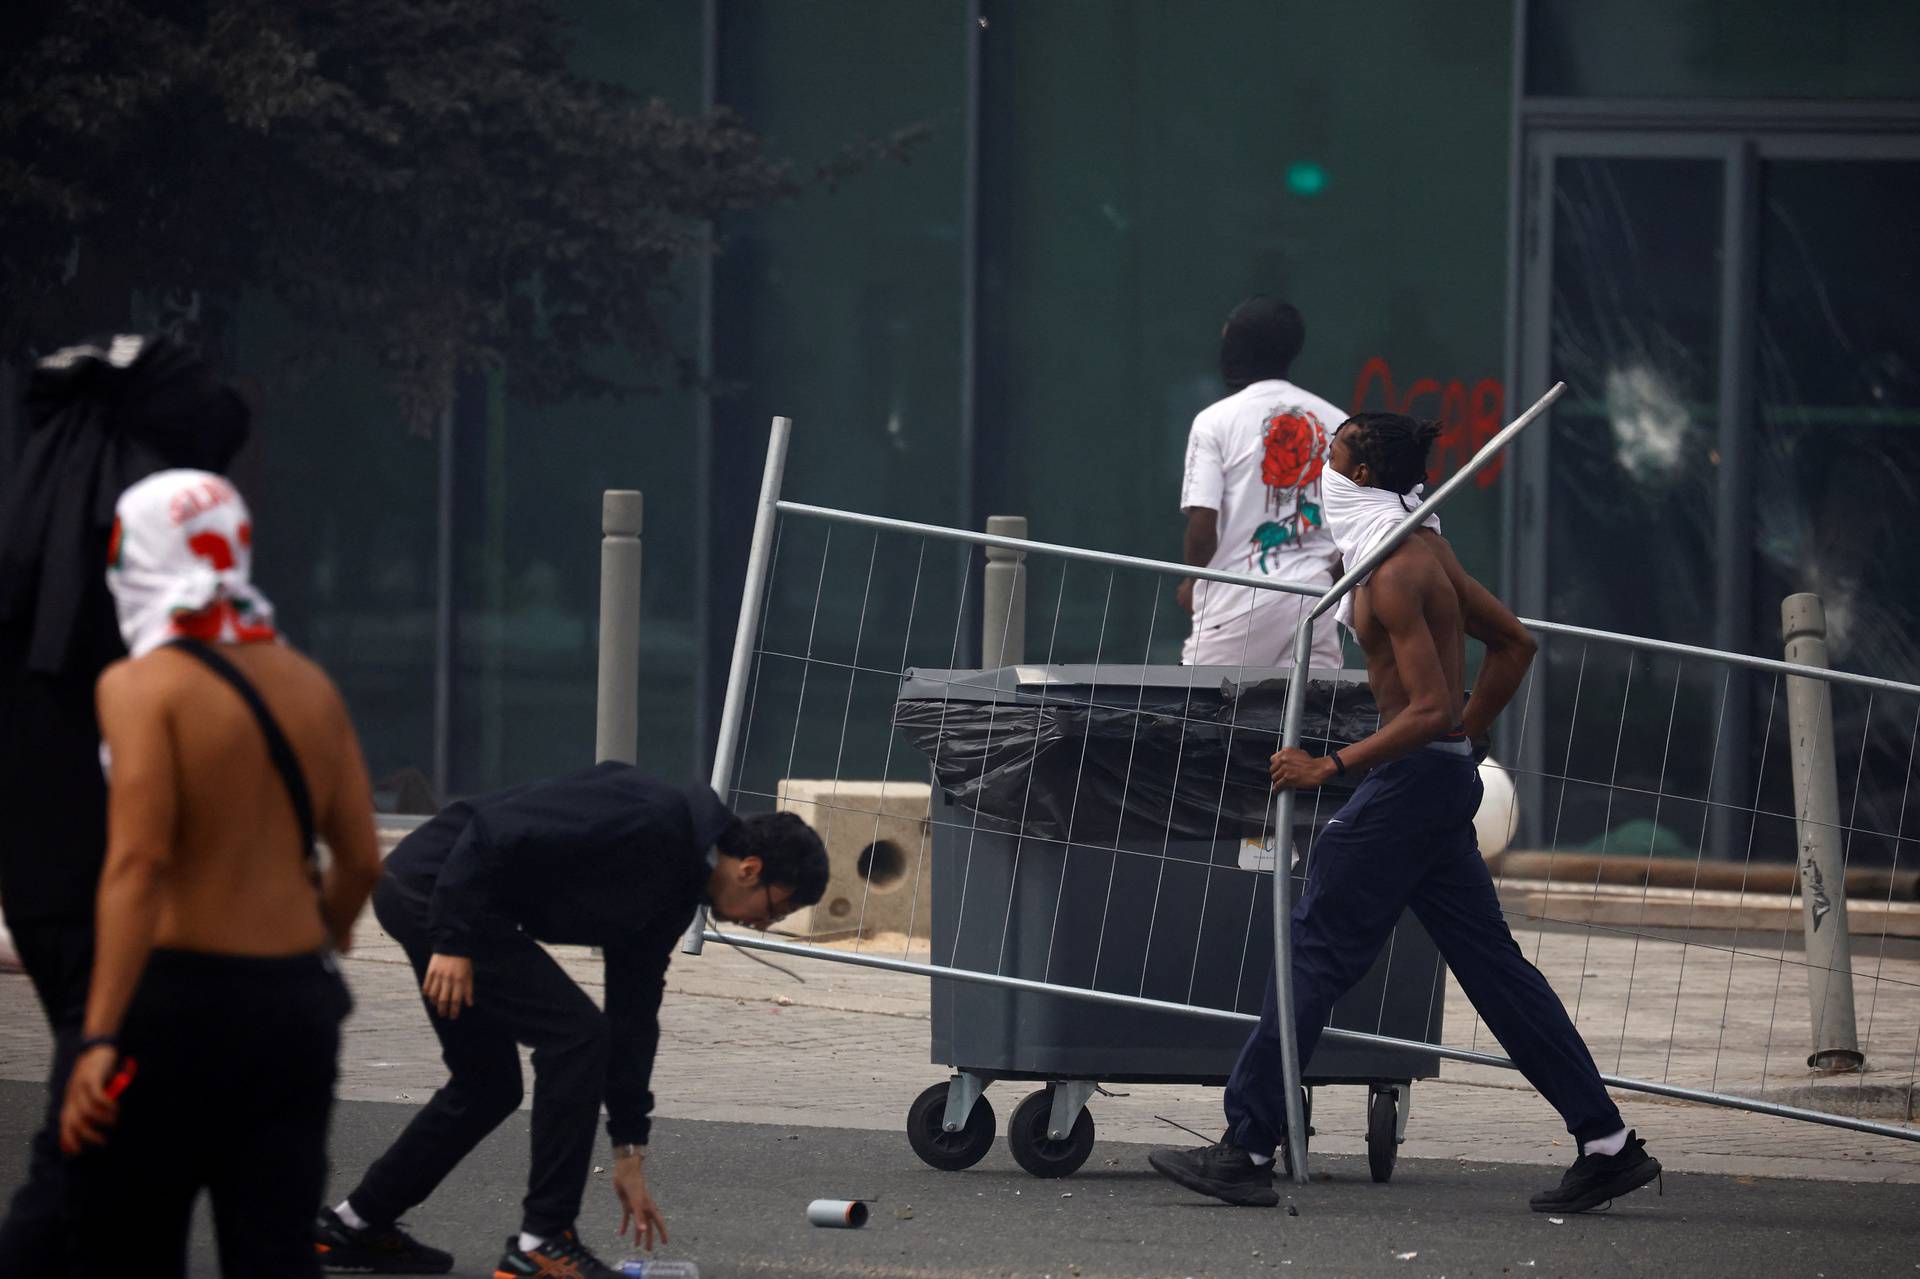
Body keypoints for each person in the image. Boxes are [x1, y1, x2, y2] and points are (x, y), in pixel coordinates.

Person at [1150, 412, 1661, 1213]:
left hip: (1409, 787)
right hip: (1437, 782)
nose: (1323, 463)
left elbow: (1427, 705)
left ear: (1358, 473)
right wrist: (1467, 730)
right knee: (1495, 971)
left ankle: (1246, 1145)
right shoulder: (1423, 547)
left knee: (1315, 950)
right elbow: (1514, 646)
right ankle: (1607, 1142)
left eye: (1335, 452)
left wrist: (1333, 764)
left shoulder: (1391, 568)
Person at [57, 467, 383, 1276]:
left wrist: (99, 1033)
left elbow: (137, 861)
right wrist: (328, 930)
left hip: (176, 1002)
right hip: (292, 1005)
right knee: (271, 1247)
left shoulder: (142, 686)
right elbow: (363, 856)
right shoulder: (311, 688)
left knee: (137, 1238)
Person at [314, 770, 830, 1277]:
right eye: (776, 909)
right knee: (575, 1038)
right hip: (438, 892)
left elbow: (633, 1016)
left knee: (488, 1085)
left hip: (454, 907)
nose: (765, 925)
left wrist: (630, 1148)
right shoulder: (649, 819)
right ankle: (543, 1243)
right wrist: (452, 940)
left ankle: (353, 1224)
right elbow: (493, 829)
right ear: (749, 869)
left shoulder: (678, 889)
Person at [0, 336, 251, 1270]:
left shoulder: (37, 566)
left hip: (52, 896)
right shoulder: (143, 610)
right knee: (83, 1163)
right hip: (130, 920)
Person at [1177, 297, 1345, 671]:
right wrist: (1330, 586)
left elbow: (1203, 521)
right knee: (1307, 720)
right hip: (1314, 598)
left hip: (1235, 601)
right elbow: (1356, 529)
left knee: (1199, 714)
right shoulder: (1339, 422)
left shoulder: (1214, 421)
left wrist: (1193, 580)